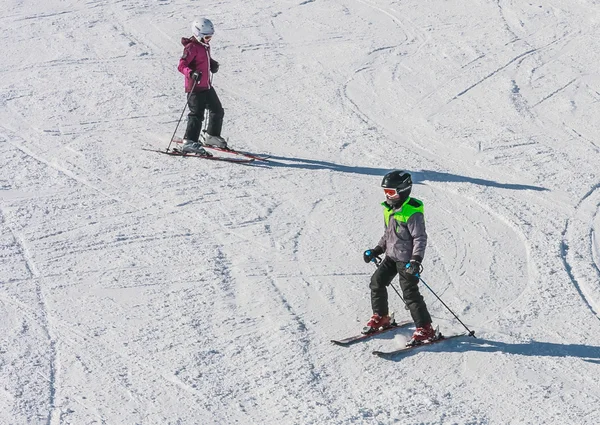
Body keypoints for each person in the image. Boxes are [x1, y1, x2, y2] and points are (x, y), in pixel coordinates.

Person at [362, 170, 437, 345]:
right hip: (390, 257)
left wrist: (416, 261)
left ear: (403, 190)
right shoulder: (389, 209)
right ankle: (381, 316)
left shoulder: (412, 212)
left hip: (406, 261)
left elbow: (420, 238)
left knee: (409, 293)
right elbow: (388, 235)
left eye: (391, 192)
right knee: (377, 282)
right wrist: (376, 250)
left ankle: (425, 328)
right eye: (385, 191)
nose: (387, 196)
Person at [177, 18, 227, 155]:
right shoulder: (191, 47)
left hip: (206, 85)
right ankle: (189, 142)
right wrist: (191, 73)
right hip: (195, 88)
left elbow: (204, 59)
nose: (209, 39)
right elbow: (181, 66)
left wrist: (213, 64)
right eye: (206, 37)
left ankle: (211, 136)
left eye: (210, 36)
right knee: (196, 115)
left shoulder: (204, 45)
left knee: (217, 110)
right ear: (198, 34)